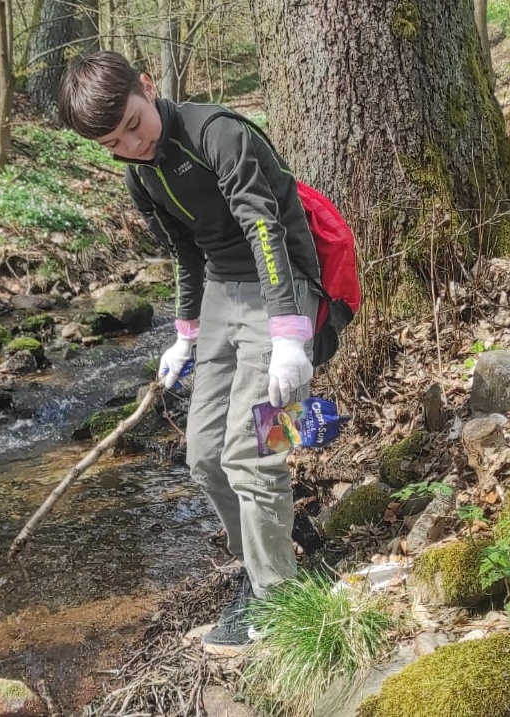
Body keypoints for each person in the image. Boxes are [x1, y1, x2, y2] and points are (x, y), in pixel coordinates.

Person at [57, 51, 320, 654]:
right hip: (222, 300)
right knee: (204, 457)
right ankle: (264, 559)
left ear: (148, 87)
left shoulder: (219, 133)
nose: (132, 145)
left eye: (133, 124)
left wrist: (289, 336)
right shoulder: (139, 174)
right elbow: (185, 252)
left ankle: (279, 599)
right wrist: (185, 333)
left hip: (285, 292)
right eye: (112, 143)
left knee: (260, 452)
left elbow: (265, 228)